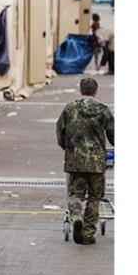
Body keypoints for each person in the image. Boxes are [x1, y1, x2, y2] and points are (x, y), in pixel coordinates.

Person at [56, 77, 114, 244]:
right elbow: (113, 136)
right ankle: (88, 234)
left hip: (75, 161)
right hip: (96, 163)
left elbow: (60, 132)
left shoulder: (70, 108)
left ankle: (75, 217)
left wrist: (68, 148)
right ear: (96, 91)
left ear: (80, 90)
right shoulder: (103, 110)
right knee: (94, 197)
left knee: (75, 194)